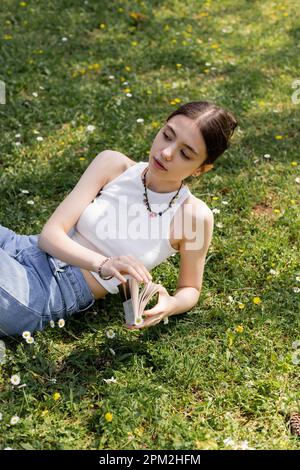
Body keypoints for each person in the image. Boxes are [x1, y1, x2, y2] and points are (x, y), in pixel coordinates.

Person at [0, 101, 237, 338]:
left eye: (185, 154)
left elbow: (190, 288)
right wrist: (104, 263)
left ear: (200, 169)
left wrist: (171, 305)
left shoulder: (194, 217)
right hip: (21, 247)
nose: (166, 152)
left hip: (45, 293)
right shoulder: (113, 165)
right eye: (167, 135)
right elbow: (50, 235)